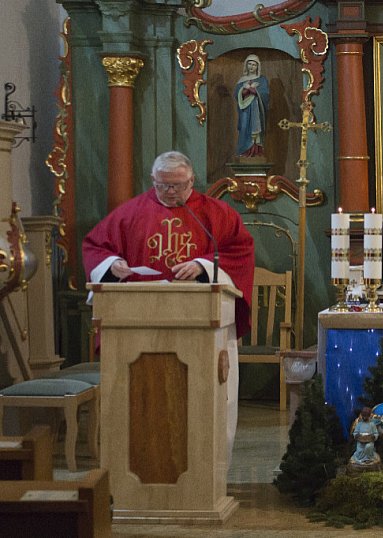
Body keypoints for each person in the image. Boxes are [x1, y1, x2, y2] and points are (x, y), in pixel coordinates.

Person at [82, 150, 255, 464]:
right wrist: (113, 263)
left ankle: (209, 470)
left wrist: (204, 265)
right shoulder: (130, 213)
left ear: (191, 181)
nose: (171, 192)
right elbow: (96, 245)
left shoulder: (218, 213)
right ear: (153, 181)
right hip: (140, 321)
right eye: (164, 186)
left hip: (203, 321)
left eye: (178, 185)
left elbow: (239, 249)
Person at [235, 54, 270, 157]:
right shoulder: (242, 80)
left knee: (256, 130)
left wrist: (254, 90)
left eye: (254, 65)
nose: (251, 67)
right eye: (249, 64)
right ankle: (245, 152)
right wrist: (244, 90)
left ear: (257, 66)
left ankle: (256, 152)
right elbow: (236, 95)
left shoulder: (262, 79)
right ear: (246, 65)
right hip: (245, 110)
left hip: (257, 109)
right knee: (245, 127)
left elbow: (265, 94)